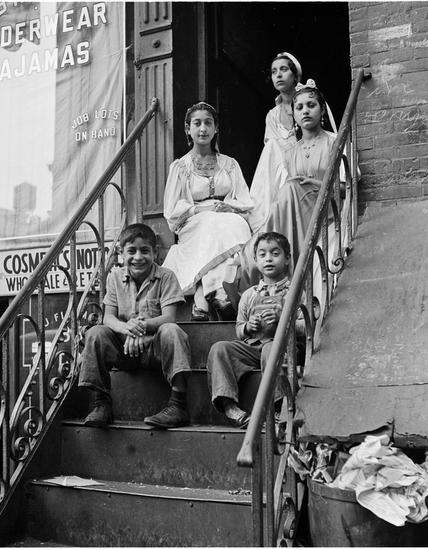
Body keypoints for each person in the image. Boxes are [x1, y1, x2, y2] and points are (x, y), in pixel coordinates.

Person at [78, 223, 192, 429]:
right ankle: (101, 403)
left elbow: (168, 318)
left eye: (145, 251)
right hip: (124, 350)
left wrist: (140, 327)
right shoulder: (114, 277)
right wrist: (126, 329)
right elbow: (108, 318)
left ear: (155, 252)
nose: (138, 257)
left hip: (153, 351)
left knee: (172, 331)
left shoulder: (166, 276)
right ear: (121, 253)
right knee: (95, 333)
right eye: (131, 251)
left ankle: (178, 405)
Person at [237, 80, 343, 290]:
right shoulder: (289, 153)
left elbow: (346, 188)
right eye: (299, 107)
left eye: (311, 105)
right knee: (288, 190)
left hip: (327, 207)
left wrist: (317, 184)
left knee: (291, 188)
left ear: (322, 110)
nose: (305, 111)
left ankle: (271, 259)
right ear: (293, 114)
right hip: (298, 212)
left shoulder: (335, 142)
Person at [162, 101, 254, 321]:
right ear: (188, 129)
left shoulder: (230, 164)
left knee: (235, 223)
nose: (203, 128)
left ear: (216, 128)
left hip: (227, 215)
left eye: (208, 123)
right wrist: (202, 208)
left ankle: (204, 296)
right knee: (212, 223)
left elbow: (244, 199)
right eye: (197, 123)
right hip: (194, 220)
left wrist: (230, 207)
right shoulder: (180, 167)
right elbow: (172, 209)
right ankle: (219, 293)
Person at [207, 232, 292, 428]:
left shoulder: (293, 291)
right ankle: (230, 408)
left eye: (275, 253)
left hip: (282, 348)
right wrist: (248, 326)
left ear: (287, 258)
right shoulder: (248, 295)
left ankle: (277, 409)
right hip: (253, 348)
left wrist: (283, 320)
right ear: (255, 260)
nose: (268, 259)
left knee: (271, 349)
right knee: (220, 348)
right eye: (262, 254)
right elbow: (239, 329)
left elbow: (305, 328)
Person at [249, 53, 338, 233]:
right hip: (285, 166)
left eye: (283, 69)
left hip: (314, 167)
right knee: (272, 148)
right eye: (274, 72)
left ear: (295, 75)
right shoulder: (272, 115)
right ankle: (264, 224)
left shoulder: (311, 99)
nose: (278, 75)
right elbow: (272, 153)